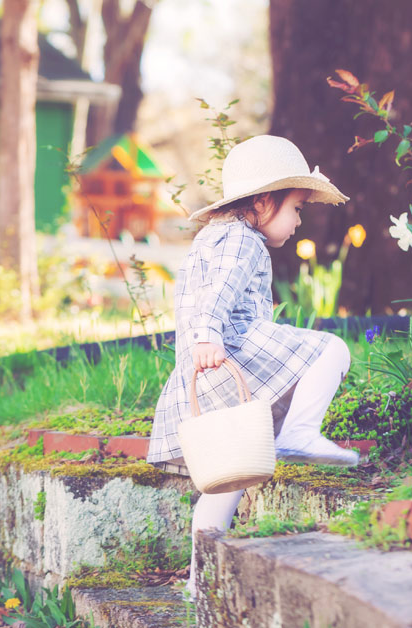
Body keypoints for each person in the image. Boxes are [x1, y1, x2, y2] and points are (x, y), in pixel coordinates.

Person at [146, 135, 360, 598]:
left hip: (212, 368)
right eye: (297, 208)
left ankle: (196, 581)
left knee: (228, 480)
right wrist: (207, 334)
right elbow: (217, 292)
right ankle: (300, 432)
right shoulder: (240, 240)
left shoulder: (217, 236)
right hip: (232, 348)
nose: (300, 221)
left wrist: (202, 339)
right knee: (332, 351)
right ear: (264, 202)